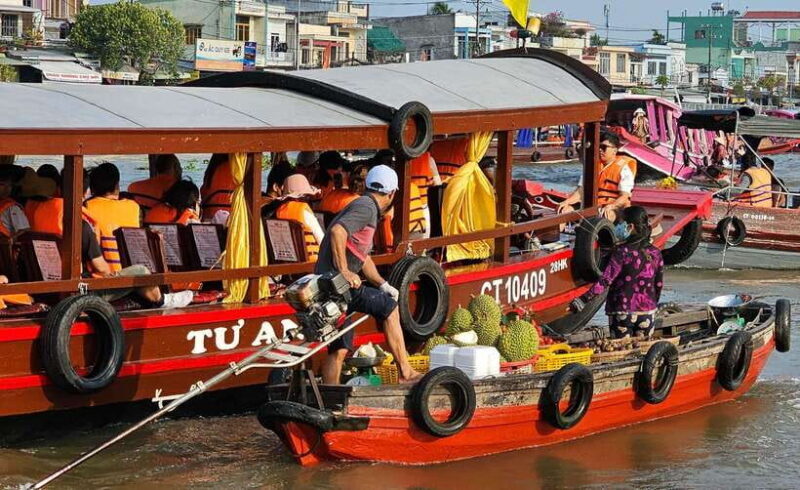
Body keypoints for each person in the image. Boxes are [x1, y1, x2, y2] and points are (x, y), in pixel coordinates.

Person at [317, 165, 421, 384]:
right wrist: (344, 270)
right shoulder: (367, 208)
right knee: (389, 309)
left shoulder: (360, 204)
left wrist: (382, 284)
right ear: (392, 193)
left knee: (339, 347)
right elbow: (337, 231)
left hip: (331, 287)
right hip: (337, 285)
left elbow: (362, 256)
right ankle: (406, 372)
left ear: (367, 185)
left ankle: (330, 398)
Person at [573, 206, 664, 339]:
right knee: (642, 351)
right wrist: (650, 304)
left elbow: (605, 280)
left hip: (623, 312)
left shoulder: (622, 252)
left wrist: (583, 300)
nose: (618, 226)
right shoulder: (656, 253)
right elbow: (659, 285)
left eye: (621, 223)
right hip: (647, 312)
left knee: (622, 350)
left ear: (630, 226)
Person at [557, 133, 636, 223]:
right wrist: (567, 202)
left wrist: (611, 206)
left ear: (614, 150)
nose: (600, 150)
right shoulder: (592, 166)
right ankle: (553, 235)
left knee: (605, 215)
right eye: (599, 147)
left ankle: (600, 235)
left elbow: (624, 197)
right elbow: (581, 191)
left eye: (604, 147)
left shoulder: (624, 169)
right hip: (593, 205)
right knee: (563, 211)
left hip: (614, 207)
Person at [83, 162, 141, 272]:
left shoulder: (87, 207)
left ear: (92, 188)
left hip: (101, 274)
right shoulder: (134, 207)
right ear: (116, 185)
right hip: (130, 271)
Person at [274, 174, 324, 262]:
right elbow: (322, 240)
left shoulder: (279, 211)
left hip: (288, 261)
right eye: (308, 196)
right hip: (311, 262)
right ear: (302, 196)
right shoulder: (304, 211)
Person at [200, 153, 234, 221]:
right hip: (229, 218)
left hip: (208, 218)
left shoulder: (211, 171)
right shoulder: (236, 170)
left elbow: (203, 192)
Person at [0, 165, 30, 238]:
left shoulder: (12, 208)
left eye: (10, 185)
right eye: (2, 184)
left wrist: (10, 241)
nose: (7, 189)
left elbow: (24, 230)